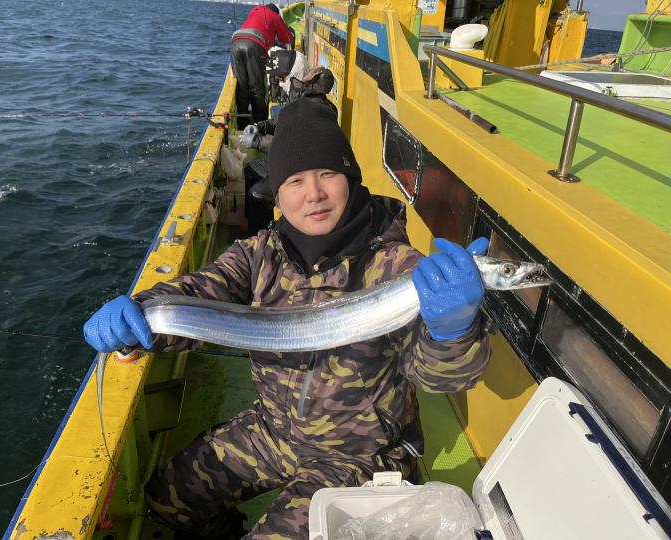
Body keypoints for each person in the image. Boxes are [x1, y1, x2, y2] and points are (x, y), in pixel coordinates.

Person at [83, 98, 492, 539]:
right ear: (277, 195)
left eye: (328, 174)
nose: (314, 194)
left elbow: (438, 378)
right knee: (167, 497)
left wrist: (454, 332)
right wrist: (142, 312)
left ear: (351, 179)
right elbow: (200, 292)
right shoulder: (259, 254)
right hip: (274, 431)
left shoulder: (396, 269)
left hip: (361, 455)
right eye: (295, 181)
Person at [231, 4, 293, 129]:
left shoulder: (254, 12)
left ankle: (242, 125)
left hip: (236, 42)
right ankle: (261, 125)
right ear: (276, 12)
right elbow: (286, 38)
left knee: (242, 87)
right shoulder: (275, 16)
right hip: (254, 44)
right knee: (257, 88)